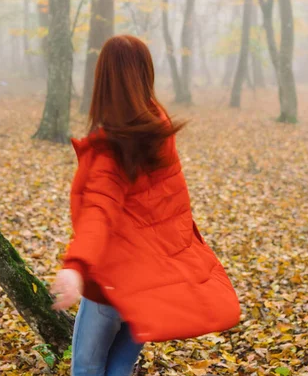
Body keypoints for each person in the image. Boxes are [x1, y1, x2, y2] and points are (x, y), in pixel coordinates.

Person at [51, 35, 241, 376]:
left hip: (112, 282)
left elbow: (99, 212)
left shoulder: (112, 147)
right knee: (120, 367)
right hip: (149, 283)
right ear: (144, 74)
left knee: (87, 368)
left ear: (103, 79)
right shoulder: (158, 126)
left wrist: (75, 265)